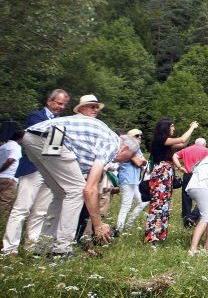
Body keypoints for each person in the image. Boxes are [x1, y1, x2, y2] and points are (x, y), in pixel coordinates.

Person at [21, 98, 139, 256]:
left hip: (33, 137)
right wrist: (97, 225)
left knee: (61, 193)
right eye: (126, 157)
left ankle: (44, 245)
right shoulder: (111, 143)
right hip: (49, 137)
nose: (120, 161)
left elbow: (89, 183)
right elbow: (88, 189)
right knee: (76, 191)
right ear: (124, 147)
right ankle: (62, 248)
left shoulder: (97, 139)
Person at [2, 89, 68, 255]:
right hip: (33, 168)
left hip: (51, 171)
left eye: (64, 105)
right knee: (21, 208)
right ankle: (10, 248)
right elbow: (40, 133)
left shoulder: (62, 122)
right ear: (49, 101)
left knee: (40, 212)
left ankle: (31, 247)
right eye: (59, 103)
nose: (61, 107)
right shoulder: (36, 116)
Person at [144, 117, 198, 245]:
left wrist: (191, 132)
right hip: (161, 175)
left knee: (164, 205)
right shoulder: (161, 139)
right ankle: (153, 237)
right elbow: (182, 139)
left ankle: (159, 234)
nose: (173, 128)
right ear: (166, 127)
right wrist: (192, 127)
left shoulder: (165, 142)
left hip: (166, 174)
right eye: (172, 126)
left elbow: (183, 144)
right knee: (158, 204)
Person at [115, 129, 149, 231]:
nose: (139, 137)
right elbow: (139, 163)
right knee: (126, 205)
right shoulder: (129, 148)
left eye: (140, 135)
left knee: (142, 201)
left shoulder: (136, 149)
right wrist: (142, 161)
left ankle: (128, 224)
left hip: (134, 180)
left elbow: (143, 162)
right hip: (127, 179)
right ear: (130, 137)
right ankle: (119, 229)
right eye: (137, 135)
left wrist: (142, 161)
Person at [173, 138, 208, 227]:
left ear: (195, 143)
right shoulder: (206, 150)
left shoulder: (186, 149)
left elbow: (175, 156)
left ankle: (186, 218)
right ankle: (194, 216)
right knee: (202, 197)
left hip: (187, 174)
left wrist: (179, 166)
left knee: (186, 197)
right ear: (204, 144)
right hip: (200, 176)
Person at [0, 131, 24, 215]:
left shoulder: (3, 146)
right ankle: (2, 221)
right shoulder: (16, 147)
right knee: (6, 201)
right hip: (9, 177)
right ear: (21, 138)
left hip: (1, 177)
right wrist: (2, 169)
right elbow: (11, 159)